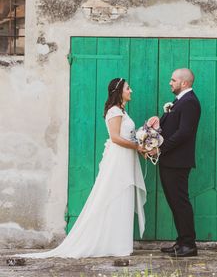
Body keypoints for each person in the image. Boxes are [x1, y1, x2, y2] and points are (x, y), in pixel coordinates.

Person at [17, 78, 146, 258]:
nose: (131, 90)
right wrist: (137, 147)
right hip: (118, 160)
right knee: (115, 195)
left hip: (125, 158)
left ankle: (119, 243)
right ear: (119, 91)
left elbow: (126, 136)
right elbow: (116, 138)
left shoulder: (122, 111)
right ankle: (114, 244)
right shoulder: (115, 111)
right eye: (128, 88)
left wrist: (141, 140)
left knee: (122, 197)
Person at [152, 68, 201, 257]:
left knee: (180, 202)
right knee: (175, 202)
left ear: (184, 83)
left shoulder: (190, 102)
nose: (170, 83)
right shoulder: (180, 101)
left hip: (178, 162)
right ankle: (181, 242)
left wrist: (160, 148)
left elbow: (184, 133)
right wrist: (158, 124)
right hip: (170, 161)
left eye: (173, 80)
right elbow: (173, 127)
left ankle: (189, 244)